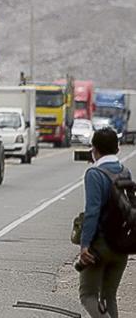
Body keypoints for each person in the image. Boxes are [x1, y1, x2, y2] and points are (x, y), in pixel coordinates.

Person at [78, 128, 130, 318]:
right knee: (109, 297)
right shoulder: (125, 171)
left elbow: (93, 212)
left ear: (95, 149)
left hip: (99, 246)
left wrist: (85, 246)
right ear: (117, 150)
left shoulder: (94, 174)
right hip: (122, 245)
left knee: (88, 295)